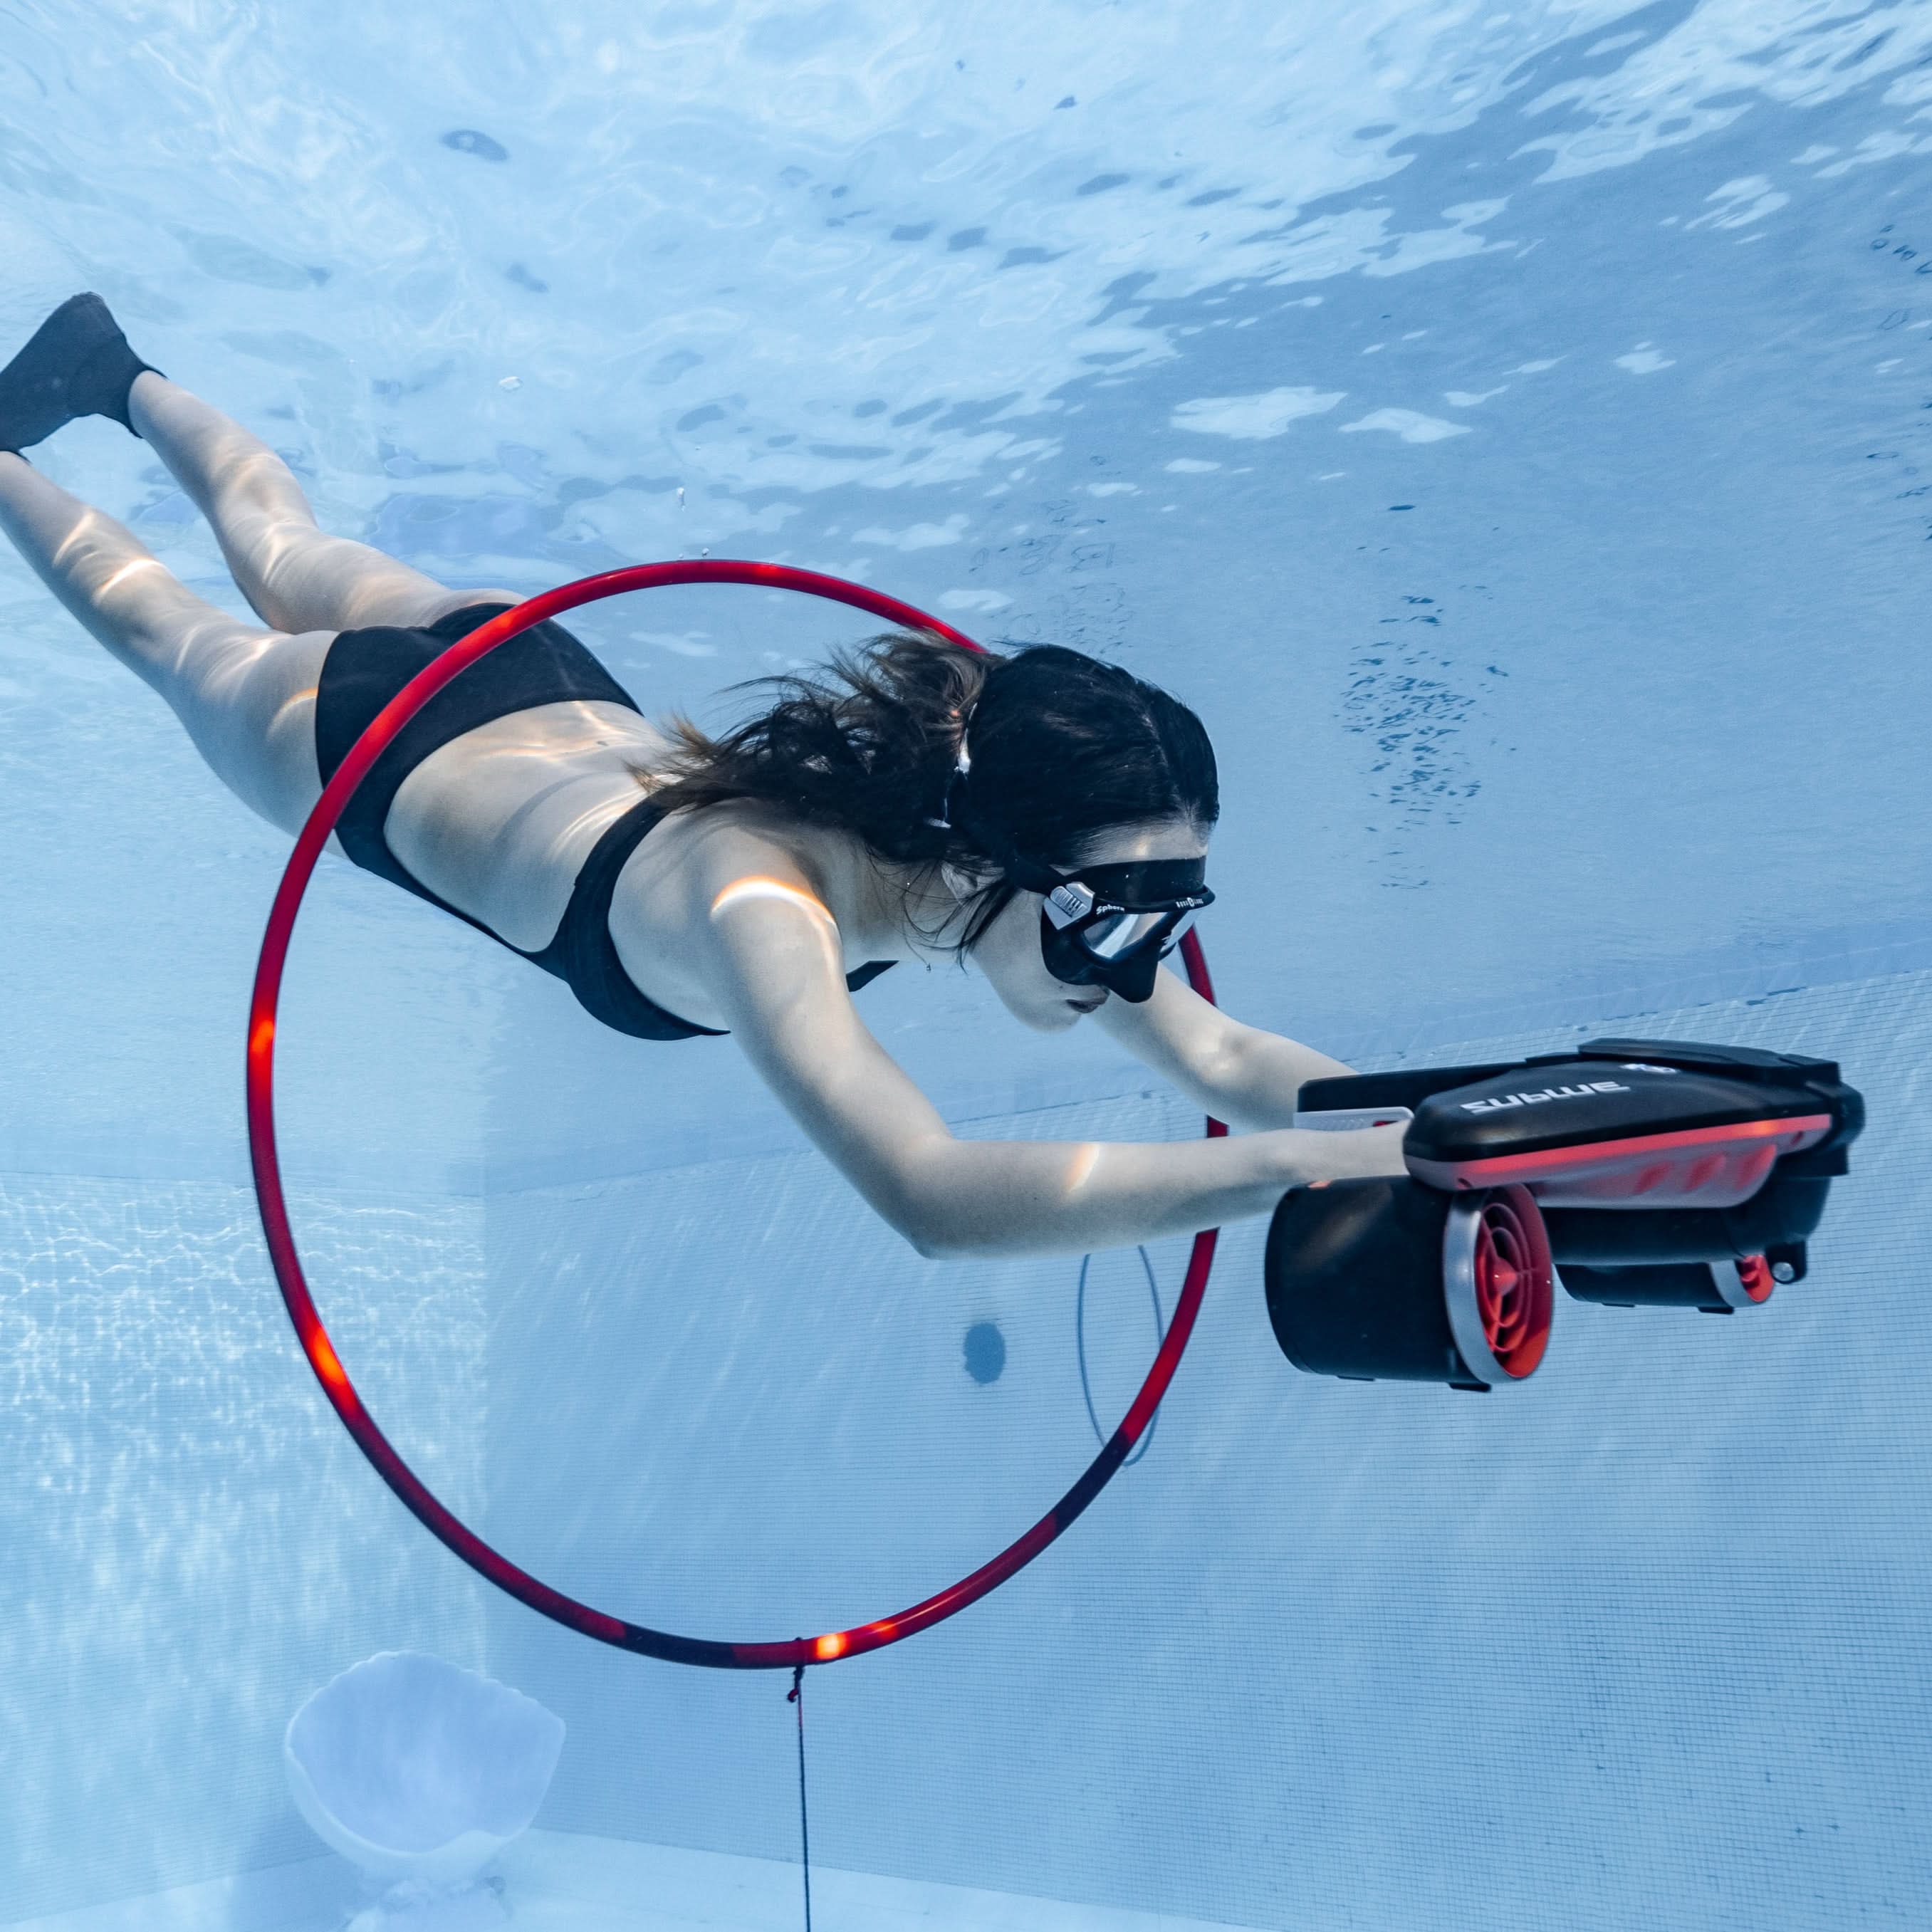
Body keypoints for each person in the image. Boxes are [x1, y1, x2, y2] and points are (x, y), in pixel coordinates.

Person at [0, 293, 1407, 1257]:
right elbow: (929, 1193)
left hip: (533, 669)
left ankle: (112, 367)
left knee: (279, 541)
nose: (1134, 966)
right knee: (160, 618)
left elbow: (1225, 1057)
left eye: (1167, 920)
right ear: (996, 862)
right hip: (366, 741)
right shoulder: (761, 907)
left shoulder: (984, 855)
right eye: (1118, 920)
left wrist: (1433, 1136)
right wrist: (1288, 1169)